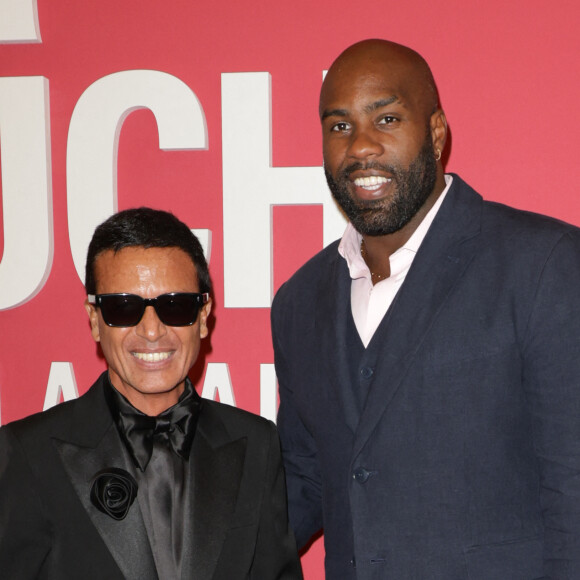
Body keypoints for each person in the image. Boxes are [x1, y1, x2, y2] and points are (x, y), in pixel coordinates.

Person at [271, 39, 580, 579]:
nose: (361, 147)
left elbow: (572, 485)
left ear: (436, 132)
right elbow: (306, 478)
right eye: (339, 126)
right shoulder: (299, 301)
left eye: (386, 118)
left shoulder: (543, 265)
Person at [0, 207, 302, 580]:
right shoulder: (27, 453)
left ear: (203, 315)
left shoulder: (257, 443)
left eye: (175, 306)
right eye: (122, 307)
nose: (152, 330)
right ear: (95, 320)